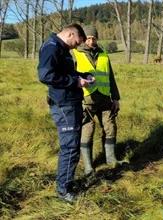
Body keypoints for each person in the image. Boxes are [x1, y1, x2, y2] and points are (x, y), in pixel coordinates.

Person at [37, 23, 88, 203]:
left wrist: (82, 75)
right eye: (76, 42)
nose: (76, 46)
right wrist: (75, 83)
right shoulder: (52, 47)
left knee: (72, 146)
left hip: (71, 103)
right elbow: (45, 75)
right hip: (63, 104)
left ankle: (67, 182)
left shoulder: (62, 48)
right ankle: (63, 190)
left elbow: (65, 72)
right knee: (70, 147)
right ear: (70, 34)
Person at [72, 26, 121, 179]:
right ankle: (88, 166)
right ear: (83, 38)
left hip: (105, 98)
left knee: (110, 127)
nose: (91, 41)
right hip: (86, 100)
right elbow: (71, 77)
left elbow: (110, 77)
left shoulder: (104, 55)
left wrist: (116, 98)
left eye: (94, 38)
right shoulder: (75, 54)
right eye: (88, 38)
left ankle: (111, 159)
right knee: (88, 130)